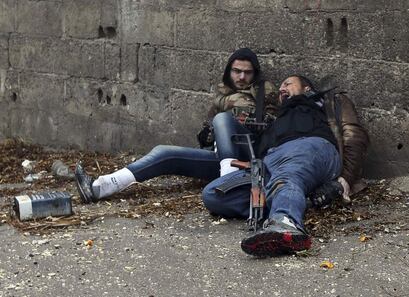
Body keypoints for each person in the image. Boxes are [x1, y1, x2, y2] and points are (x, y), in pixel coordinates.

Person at [75, 48, 278, 203]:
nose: (241, 77)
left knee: (222, 120)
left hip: (247, 160)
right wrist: (209, 132)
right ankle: (102, 186)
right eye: (236, 71)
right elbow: (205, 135)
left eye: (247, 73)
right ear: (228, 71)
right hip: (220, 159)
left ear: (255, 74)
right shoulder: (221, 95)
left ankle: (229, 182)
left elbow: (274, 127)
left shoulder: (264, 90)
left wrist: (242, 119)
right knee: (164, 153)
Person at [201, 75, 369, 257]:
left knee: (285, 177)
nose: (282, 88)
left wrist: (345, 180)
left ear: (307, 89)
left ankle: (285, 222)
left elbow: (354, 136)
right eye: (281, 86)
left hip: (310, 148)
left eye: (288, 84)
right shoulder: (275, 117)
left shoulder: (328, 102)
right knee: (214, 194)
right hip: (270, 161)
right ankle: (295, 201)